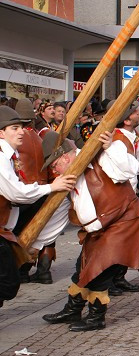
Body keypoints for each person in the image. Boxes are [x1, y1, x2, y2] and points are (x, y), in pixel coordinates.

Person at [40, 130, 139, 331]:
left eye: (55, 166)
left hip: (122, 222)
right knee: (82, 267)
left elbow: (127, 171)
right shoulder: (70, 176)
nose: (55, 171)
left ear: (64, 156)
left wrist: (111, 147)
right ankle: (73, 309)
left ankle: (97, 318)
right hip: (99, 229)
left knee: (100, 271)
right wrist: (39, 243)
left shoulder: (101, 156)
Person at [0, 107, 76, 308]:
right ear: (1, 133)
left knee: (7, 284)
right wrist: (51, 186)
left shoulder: (10, 155)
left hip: (6, 229)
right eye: (14, 128)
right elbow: (16, 193)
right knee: (7, 283)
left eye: (21, 127)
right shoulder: (0, 157)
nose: (21, 131)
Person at [103, 100, 139, 295]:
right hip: (113, 197)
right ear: (127, 119)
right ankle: (106, 280)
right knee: (112, 240)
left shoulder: (134, 137)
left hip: (129, 196)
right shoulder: (114, 138)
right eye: (136, 112)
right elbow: (122, 171)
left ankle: (118, 277)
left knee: (127, 239)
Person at [14, 99, 71, 285]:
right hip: (43, 190)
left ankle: (19, 271)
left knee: (18, 233)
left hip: (24, 192)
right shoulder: (40, 139)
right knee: (45, 232)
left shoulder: (16, 140)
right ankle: (43, 271)